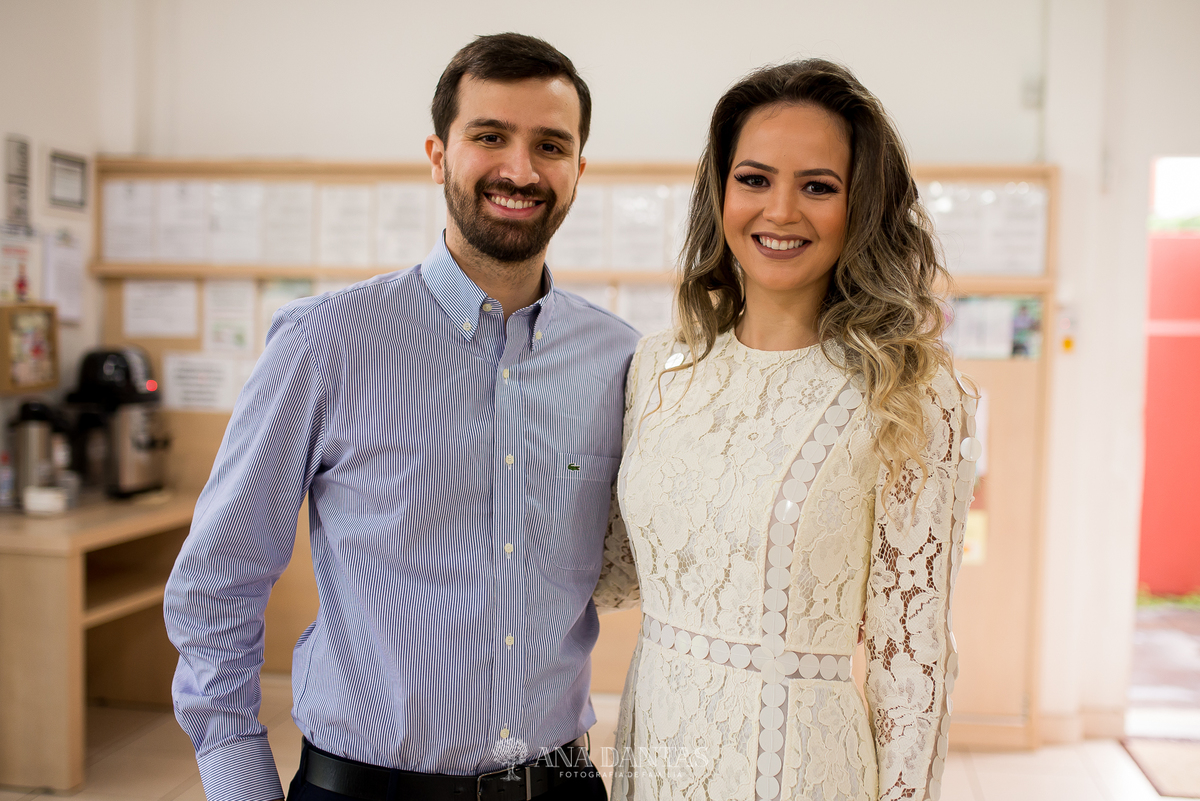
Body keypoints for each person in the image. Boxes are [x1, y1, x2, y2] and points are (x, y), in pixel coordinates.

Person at [164, 33, 637, 801]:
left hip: (560, 783)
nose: (520, 170)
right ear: (437, 153)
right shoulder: (324, 342)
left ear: (578, 170)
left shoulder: (616, 359)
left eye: (550, 144)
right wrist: (239, 779)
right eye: (490, 136)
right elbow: (220, 577)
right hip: (366, 787)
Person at [594, 59, 979, 801]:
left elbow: (912, 659)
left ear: (860, 206)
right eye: (755, 179)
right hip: (657, 753)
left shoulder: (907, 390)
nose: (781, 211)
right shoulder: (658, 368)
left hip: (799, 770)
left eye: (818, 186)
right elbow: (617, 575)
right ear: (720, 193)